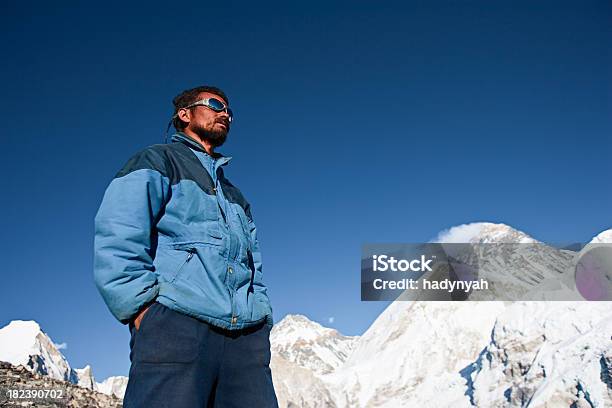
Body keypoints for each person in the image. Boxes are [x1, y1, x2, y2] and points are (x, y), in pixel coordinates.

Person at [93, 85, 278, 407]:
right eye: (216, 105)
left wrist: (262, 317)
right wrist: (142, 310)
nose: (225, 114)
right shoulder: (156, 160)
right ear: (184, 113)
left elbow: (254, 264)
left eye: (229, 111)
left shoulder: (235, 194)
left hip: (246, 340)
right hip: (176, 324)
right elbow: (118, 232)